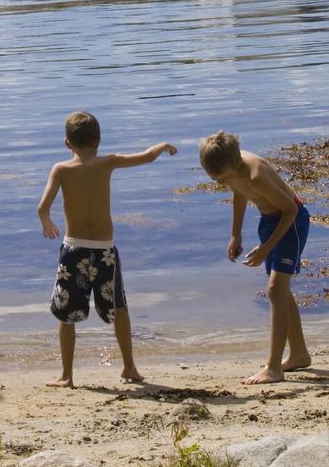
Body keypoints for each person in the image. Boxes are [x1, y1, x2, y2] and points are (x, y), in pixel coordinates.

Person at [35, 111, 175, 388]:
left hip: (74, 249)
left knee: (66, 314)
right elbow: (146, 156)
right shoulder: (107, 163)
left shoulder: (61, 169)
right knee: (119, 307)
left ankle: (67, 375)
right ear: (98, 140)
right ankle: (129, 367)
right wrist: (162, 146)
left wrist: (47, 223)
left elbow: (42, 207)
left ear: (67, 143)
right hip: (104, 251)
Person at [199, 131, 312, 385]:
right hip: (269, 222)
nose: (220, 184)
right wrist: (235, 234)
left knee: (275, 290)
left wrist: (265, 248)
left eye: (222, 179)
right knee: (281, 291)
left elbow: (291, 209)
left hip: (291, 223)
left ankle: (273, 367)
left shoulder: (256, 176)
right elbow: (238, 193)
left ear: (235, 163)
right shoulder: (234, 169)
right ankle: (299, 354)